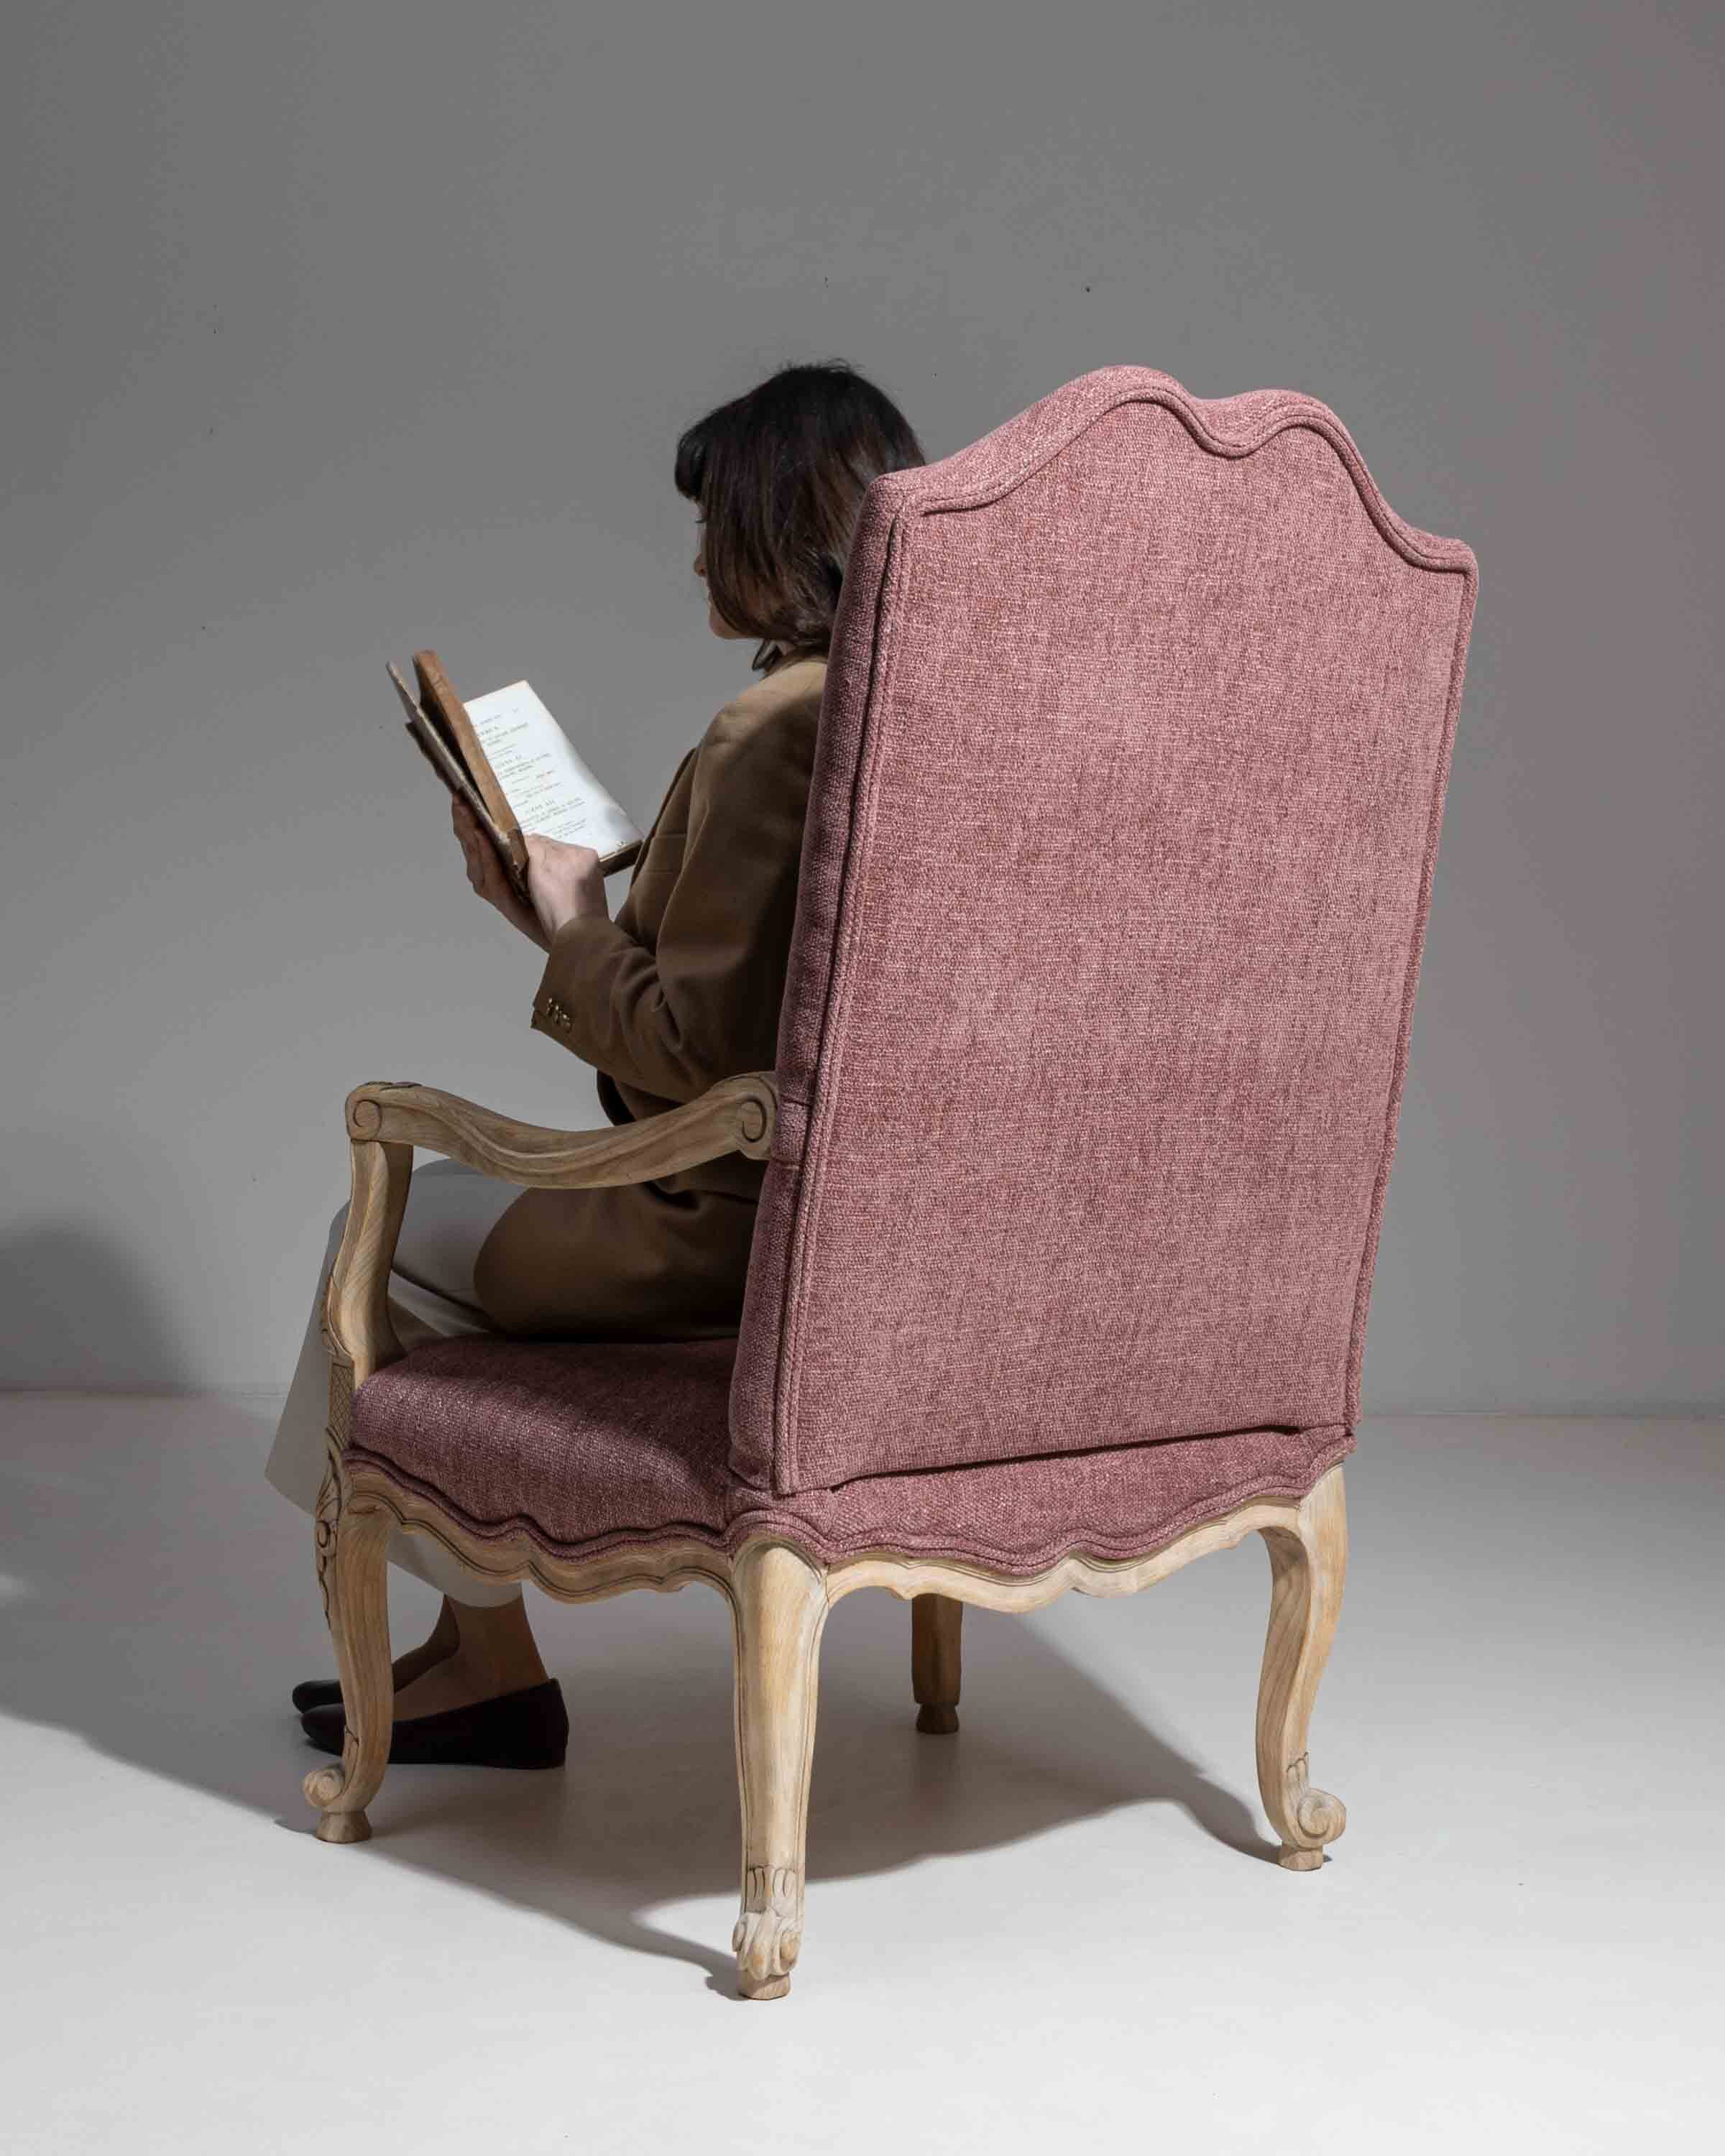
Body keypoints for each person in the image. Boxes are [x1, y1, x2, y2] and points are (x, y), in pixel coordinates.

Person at [267, 361, 925, 1767]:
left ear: (775, 529)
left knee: (371, 1238)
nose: (694, 556)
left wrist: (568, 914)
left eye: (712, 523)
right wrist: (554, 927)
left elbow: (694, 1060)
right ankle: (473, 1659)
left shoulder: (774, 729)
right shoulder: (921, 711)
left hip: (717, 1233)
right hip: (873, 1233)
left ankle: (487, 1666)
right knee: (420, 1247)